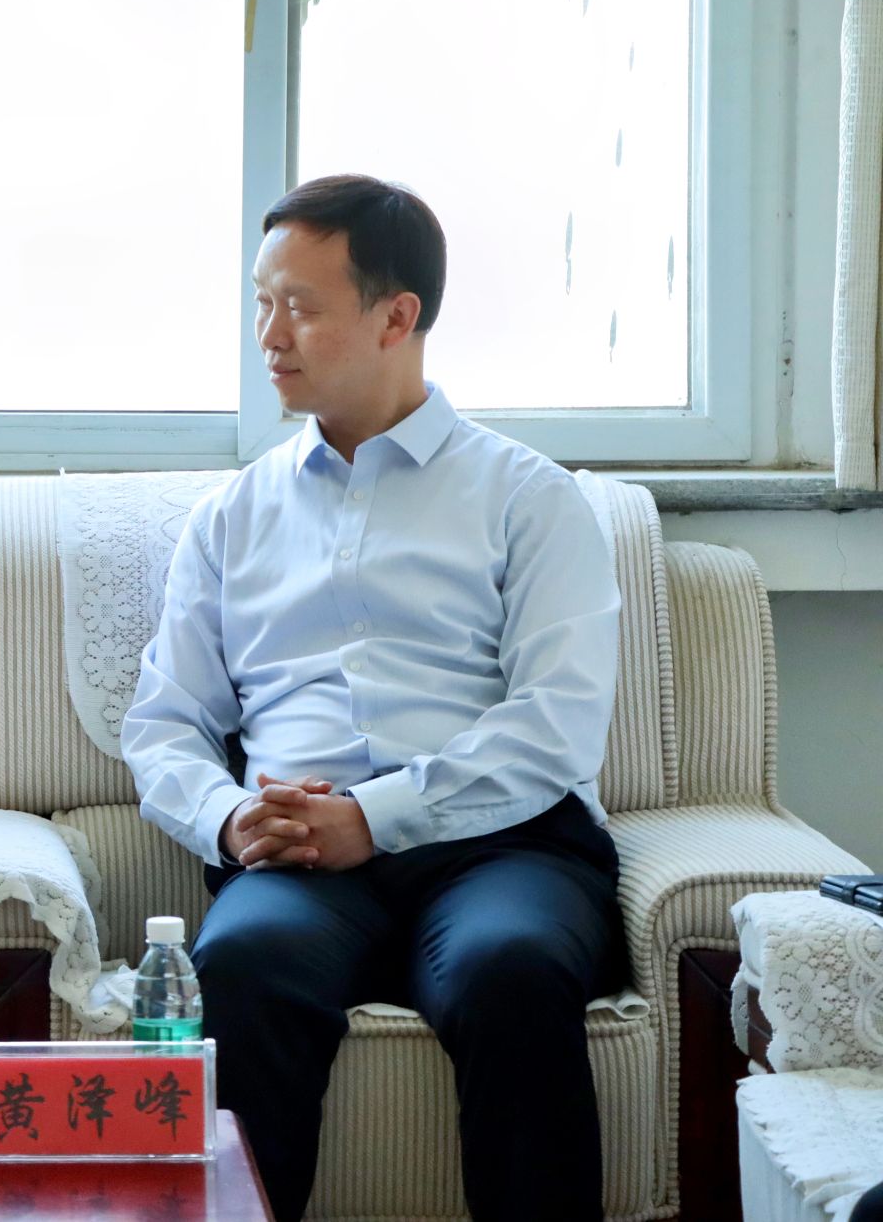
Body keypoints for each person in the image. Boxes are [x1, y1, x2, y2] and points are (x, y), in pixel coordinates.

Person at [122, 175, 624, 1222]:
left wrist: (375, 815)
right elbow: (166, 719)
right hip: (295, 856)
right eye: (261, 303)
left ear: (397, 316)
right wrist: (230, 816)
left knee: (509, 966)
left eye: (299, 307)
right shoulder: (232, 514)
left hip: (501, 845)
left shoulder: (528, 497)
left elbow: (555, 724)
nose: (269, 335)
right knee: (242, 960)